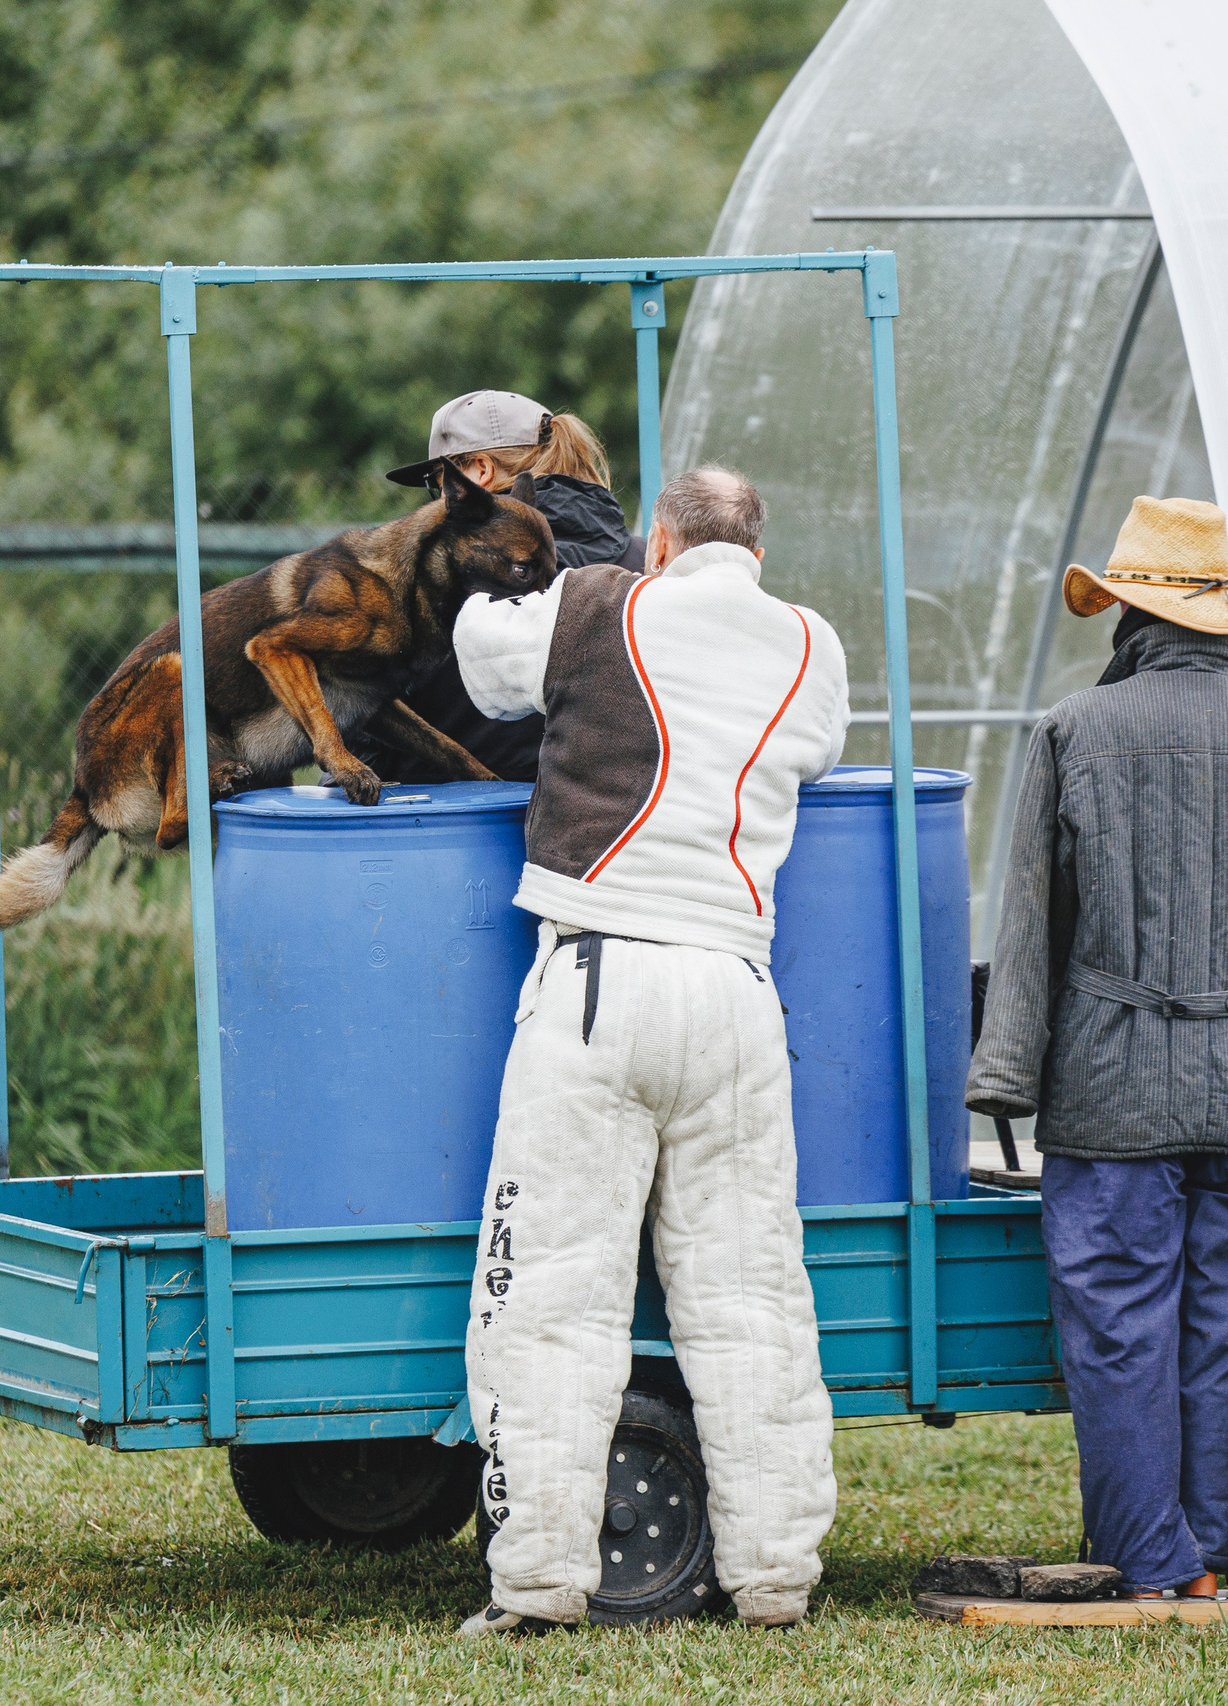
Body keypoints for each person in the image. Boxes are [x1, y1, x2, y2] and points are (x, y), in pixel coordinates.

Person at [445, 465, 849, 1638]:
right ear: (757, 552)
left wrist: (570, 575)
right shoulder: (810, 645)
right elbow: (814, 748)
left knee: (553, 1300)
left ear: (658, 541)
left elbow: (480, 653)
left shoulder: (599, 605)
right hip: (735, 987)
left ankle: (537, 1584)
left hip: (597, 976)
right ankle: (774, 1579)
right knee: (752, 1298)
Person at [967, 496, 1228, 1600]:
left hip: (1109, 1084)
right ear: (1223, 620)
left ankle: (1146, 1557)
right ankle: (1203, 1557)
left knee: (1118, 1323)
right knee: (1223, 1321)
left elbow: (1030, 924)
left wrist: (1007, 1071)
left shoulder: (1073, 731)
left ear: (1129, 615)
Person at [357, 389, 645, 784]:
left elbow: (358, 717)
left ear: (479, 471)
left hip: (446, 814)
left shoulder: (422, 579)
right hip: (607, 810)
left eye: (438, 483)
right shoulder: (649, 565)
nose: (437, 501)